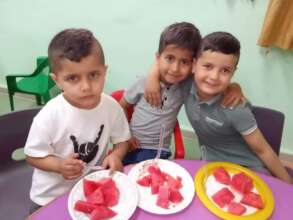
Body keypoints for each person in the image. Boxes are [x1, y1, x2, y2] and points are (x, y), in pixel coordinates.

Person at [146, 31, 293, 184]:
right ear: (194, 65)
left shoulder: (235, 107)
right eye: (208, 66)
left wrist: (288, 184)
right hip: (212, 165)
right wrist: (152, 77)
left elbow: (263, 150)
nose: (214, 76)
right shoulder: (185, 84)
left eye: (225, 70)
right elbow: (167, 63)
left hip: (248, 168)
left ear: (233, 73)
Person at [24, 28, 131, 213]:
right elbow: (32, 156)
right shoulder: (49, 116)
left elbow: (122, 141)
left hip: (90, 192)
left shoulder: (111, 107)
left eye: (94, 75)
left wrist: (116, 155)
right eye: (73, 78)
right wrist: (58, 166)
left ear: (104, 72)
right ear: (57, 80)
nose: (86, 87)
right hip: (49, 197)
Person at [119, 22, 242, 165]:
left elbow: (215, 83)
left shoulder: (186, 85)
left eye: (184, 62)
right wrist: (124, 135)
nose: (175, 68)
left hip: (162, 151)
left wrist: (235, 87)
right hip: (131, 146)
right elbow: (120, 107)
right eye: (170, 58)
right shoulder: (143, 83)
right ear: (158, 58)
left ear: (193, 64)